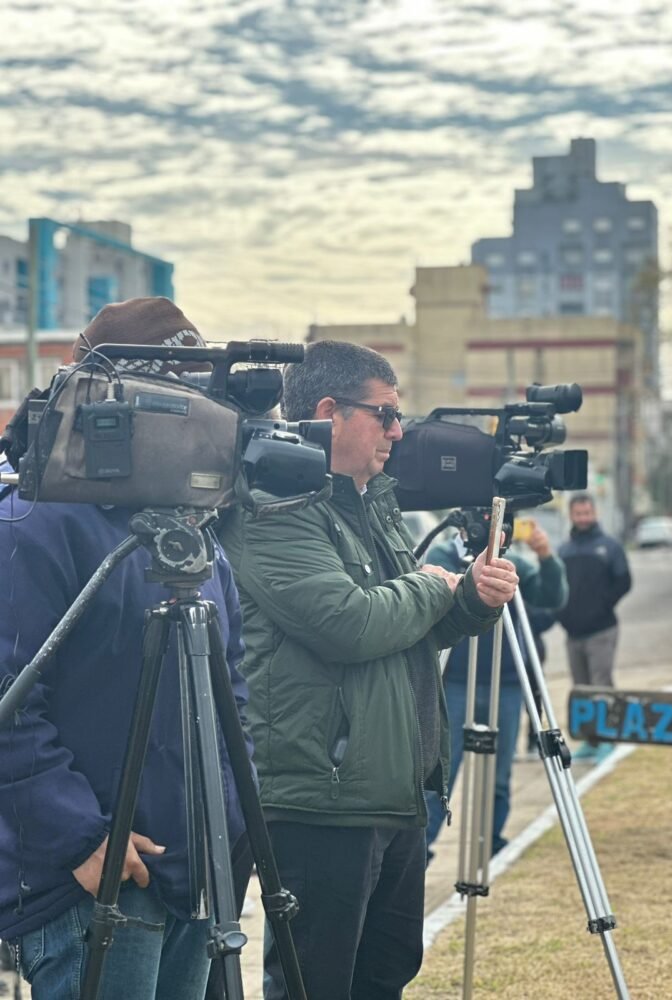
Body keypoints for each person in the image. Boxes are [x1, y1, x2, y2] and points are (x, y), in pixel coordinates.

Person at [218, 339, 519, 1000]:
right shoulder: (274, 507)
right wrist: (435, 587)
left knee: (384, 975)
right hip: (321, 795)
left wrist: (469, 597)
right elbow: (348, 623)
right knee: (315, 983)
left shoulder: (368, 502)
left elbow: (405, 625)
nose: (398, 431)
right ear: (329, 412)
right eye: (383, 414)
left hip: (390, 784)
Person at [0, 298, 252, 1000]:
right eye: (179, 391)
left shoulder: (187, 529)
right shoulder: (32, 524)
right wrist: (81, 842)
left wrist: (230, 821)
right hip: (93, 887)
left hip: (191, 878)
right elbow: (10, 708)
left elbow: (230, 685)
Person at [424, 518, 568, 856]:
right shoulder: (444, 555)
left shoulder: (511, 563)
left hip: (506, 682)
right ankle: (420, 848)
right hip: (455, 681)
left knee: (500, 777)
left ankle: (492, 844)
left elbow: (553, 595)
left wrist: (546, 557)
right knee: (439, 774)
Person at [557, 492, 632, 761]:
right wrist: (563, 615)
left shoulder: (609, 546)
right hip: (573, 633)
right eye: (578, 514)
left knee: (601, 686)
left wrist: (602, 605)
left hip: (602, 630)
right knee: (581, 688)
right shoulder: (564, 550)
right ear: (572, 515)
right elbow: (558, 587)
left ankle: (608, 739)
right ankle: (590, 740)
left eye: (587, 513)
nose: (583, 518)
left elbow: (624, 581)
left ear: (594, 513)